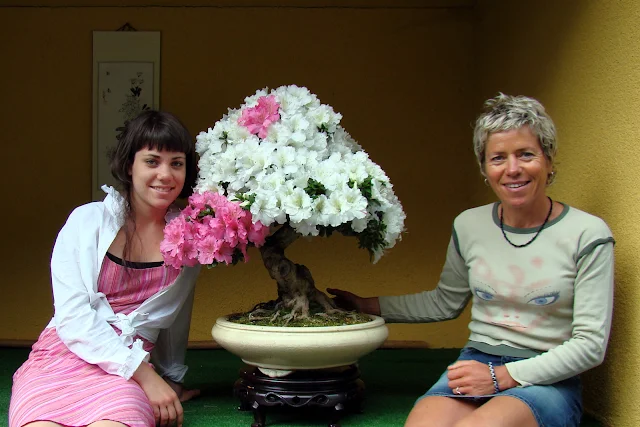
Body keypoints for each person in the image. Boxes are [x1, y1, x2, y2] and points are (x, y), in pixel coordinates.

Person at [328, 93, 615, 427]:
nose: (513, 169)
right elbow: (444, 303)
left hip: (548, 377)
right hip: (476, 363)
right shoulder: (469, 225)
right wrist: (367, 306)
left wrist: (501, 377)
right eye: (498, 158)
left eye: (526, 154)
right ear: (484, 168)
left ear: (548, 161)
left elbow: (590, 345)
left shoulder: (588, 234)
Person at [9, 110, 202, 427]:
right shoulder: (87, 221)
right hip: (61, 356)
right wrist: (146, 376)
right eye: (152, 161)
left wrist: (170, 378)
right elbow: (72, 317)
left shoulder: (188, 238)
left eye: (176, 163)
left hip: (124, 374)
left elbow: (176, 313)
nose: (165, 174)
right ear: (129, 166)